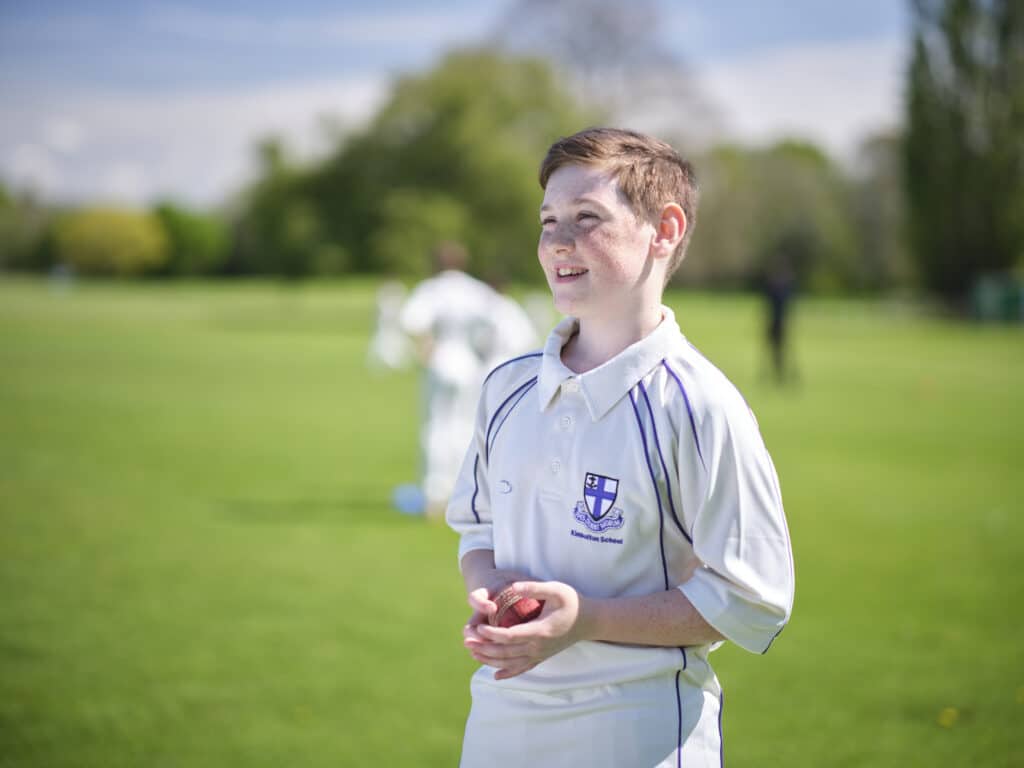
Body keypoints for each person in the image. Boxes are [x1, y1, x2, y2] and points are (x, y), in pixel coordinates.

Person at [446, 128, 795, 767]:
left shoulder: (699, 406)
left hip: (639, 735)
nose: (557, 240)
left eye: (587, 219)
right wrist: (493, 589)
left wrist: (589, 619)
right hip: (499, 726)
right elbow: (476, 529)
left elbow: (752, 600)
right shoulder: (505, 387)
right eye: (548, 220)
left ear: (663, 230)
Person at [398, 241, 535, 517]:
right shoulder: (476, 290)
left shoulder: (432, 288)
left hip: (442, 360)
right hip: (470, 365)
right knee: (464, 426)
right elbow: (497, 323)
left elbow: (411, 320)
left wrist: (426, 346)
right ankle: (465, 491)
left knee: (436, 426)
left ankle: (435, 494)